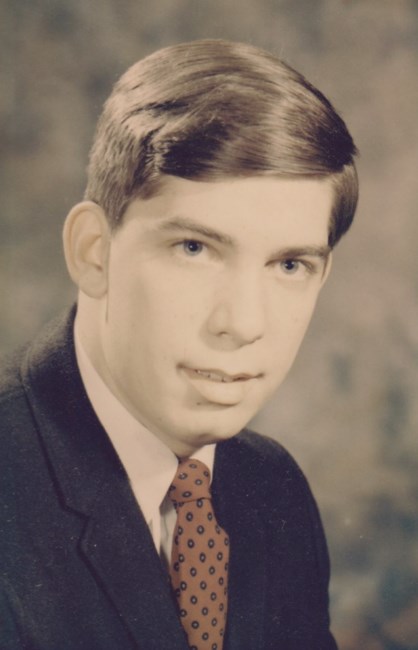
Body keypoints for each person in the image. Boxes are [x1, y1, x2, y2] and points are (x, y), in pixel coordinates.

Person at [0, 39, 358, 650]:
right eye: (194, 248)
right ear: (93, 252)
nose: (242, 324)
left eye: (289, 265)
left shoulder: (271, 487)